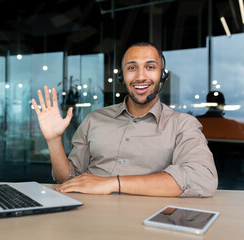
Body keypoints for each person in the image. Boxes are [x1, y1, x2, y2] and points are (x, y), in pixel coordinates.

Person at [31, 41, 218, 197]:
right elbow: (69, 179)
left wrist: (112, 184)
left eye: (150, 67)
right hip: (90, 216)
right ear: (122, 75)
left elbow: (202, 179)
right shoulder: (94, 119)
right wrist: (53, 141)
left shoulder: (182, 124)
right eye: (132, 68)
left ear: (162, 75)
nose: (141, 76)